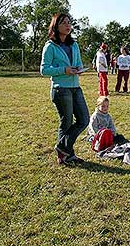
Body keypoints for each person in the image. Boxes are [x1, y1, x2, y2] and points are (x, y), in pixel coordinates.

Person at [40, 13, 89, 164]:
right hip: (61, 89)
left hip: (76, 87)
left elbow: (78, 62)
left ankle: (62, 147)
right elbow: (44, 70)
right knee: (66, 123)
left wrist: (79, 68)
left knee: (84, 119)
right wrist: (64, 70)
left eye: (69, 22)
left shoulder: (74, 44)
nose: (68, 25)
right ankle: (67, 155)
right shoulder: (50, 46)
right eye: (64, 23)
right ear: (56, 26)